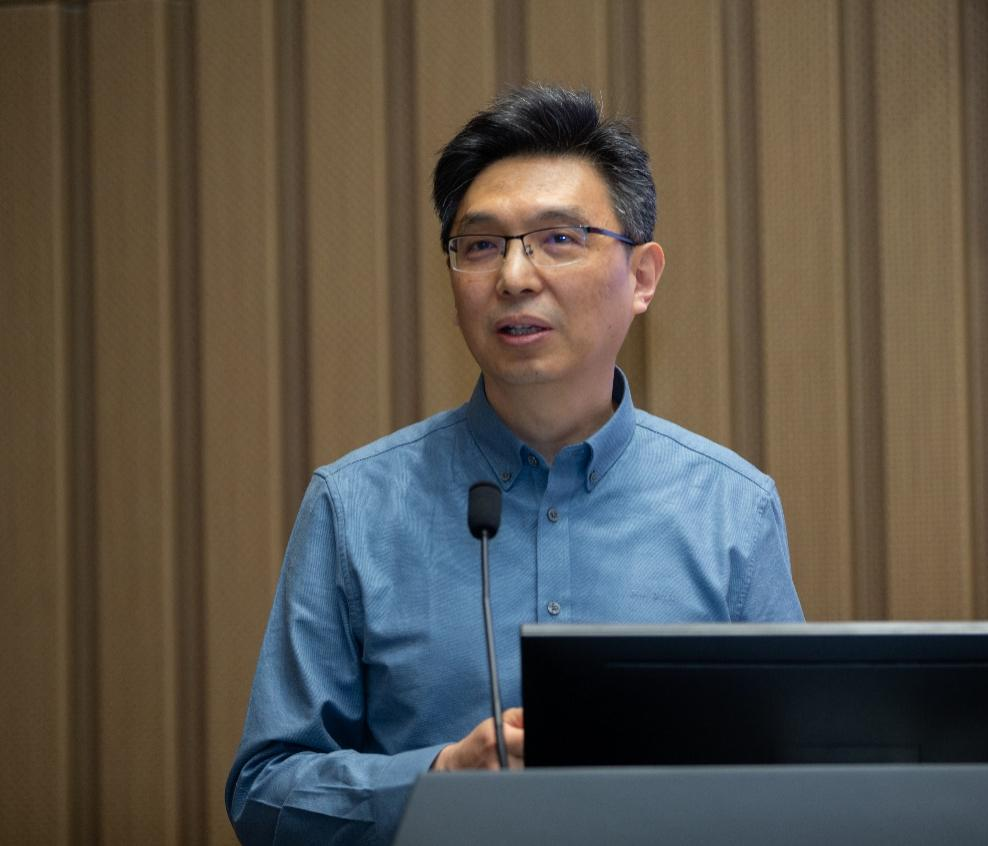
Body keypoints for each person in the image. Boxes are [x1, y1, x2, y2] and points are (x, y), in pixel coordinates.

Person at [225, 84, 803, 844]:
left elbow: (796, 788)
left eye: (559, 238)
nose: (515, 277)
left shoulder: (731, 509)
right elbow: (264, 793)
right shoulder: (353, 506)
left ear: (642, 276)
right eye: (480, 245)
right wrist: (437, 780)